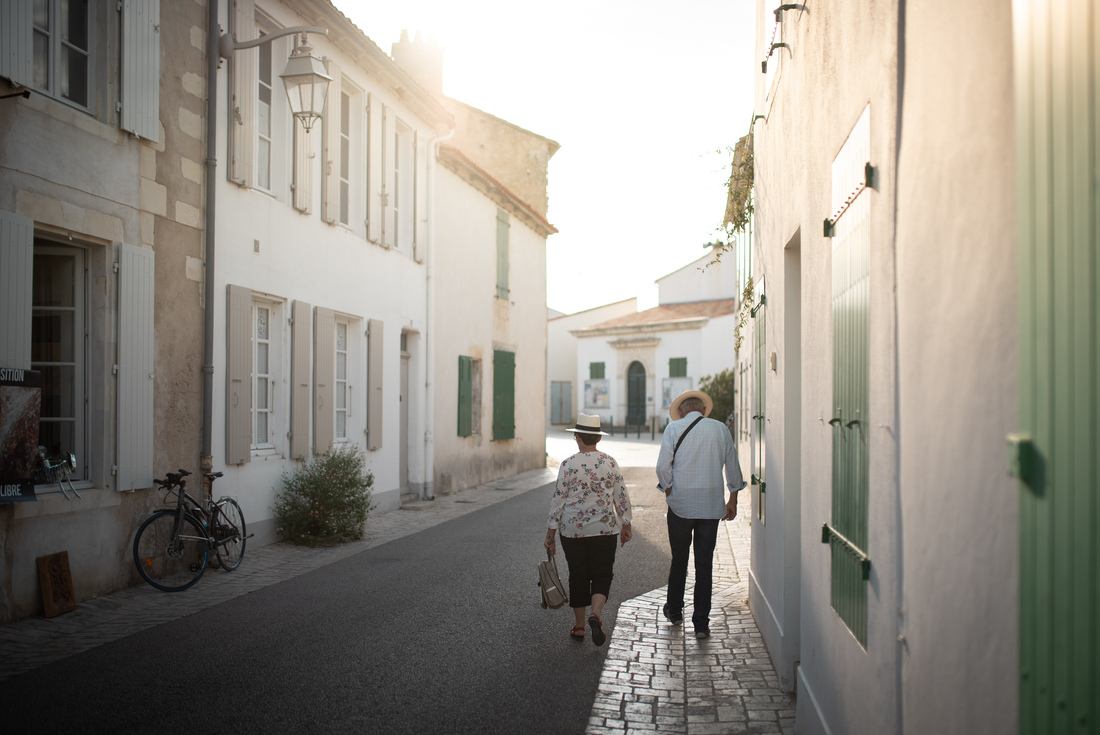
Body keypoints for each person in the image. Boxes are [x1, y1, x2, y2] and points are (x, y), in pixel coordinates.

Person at [656, 389, 745, 639]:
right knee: (704, 564)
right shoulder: (720, 429)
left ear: (682, 411)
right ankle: (701, 624)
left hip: (680, 506)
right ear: (704, 410)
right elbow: (732, 465)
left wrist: (669, 489)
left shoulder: (673, 429)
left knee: (679, 560)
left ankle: (674, 611)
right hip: (709, 506)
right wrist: (733, 498)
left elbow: (663, 467)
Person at [545, 414, 633, 646]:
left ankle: (580, 626)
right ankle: (596, 612)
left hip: (573, 531)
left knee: (578, 575)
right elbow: (621, 497)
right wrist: (626, 523)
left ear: (577, 437)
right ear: (598, 439)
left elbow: (558, 501)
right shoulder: (610, 462)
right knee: (603, 573)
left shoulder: (568, 465)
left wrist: (550, 533)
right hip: (605, 530)